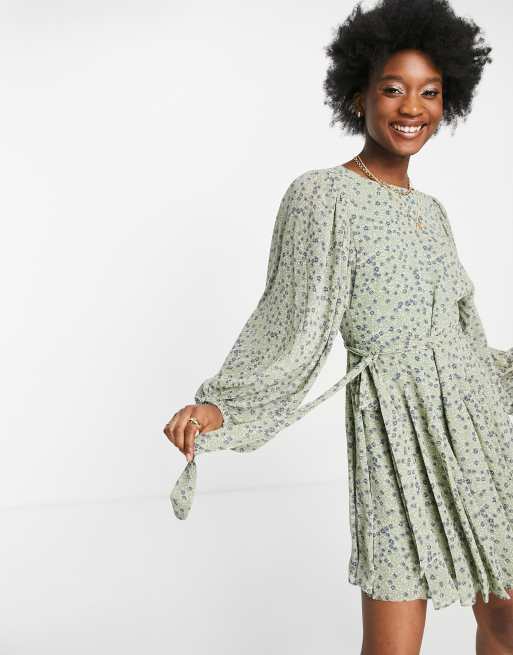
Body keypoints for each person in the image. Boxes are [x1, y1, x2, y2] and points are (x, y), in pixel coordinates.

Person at [164, 0, 513, 652]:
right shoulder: (321, 196)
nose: (412, 107)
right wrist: (223, 405)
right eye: (393, 89)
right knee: (393, 639)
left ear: (448, 103)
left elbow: (463, 337)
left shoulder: (433, 212)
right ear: (358, 96)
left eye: (430, 92)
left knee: (506, 616)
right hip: (394, 432)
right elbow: (289, 321)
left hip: (479, 431)